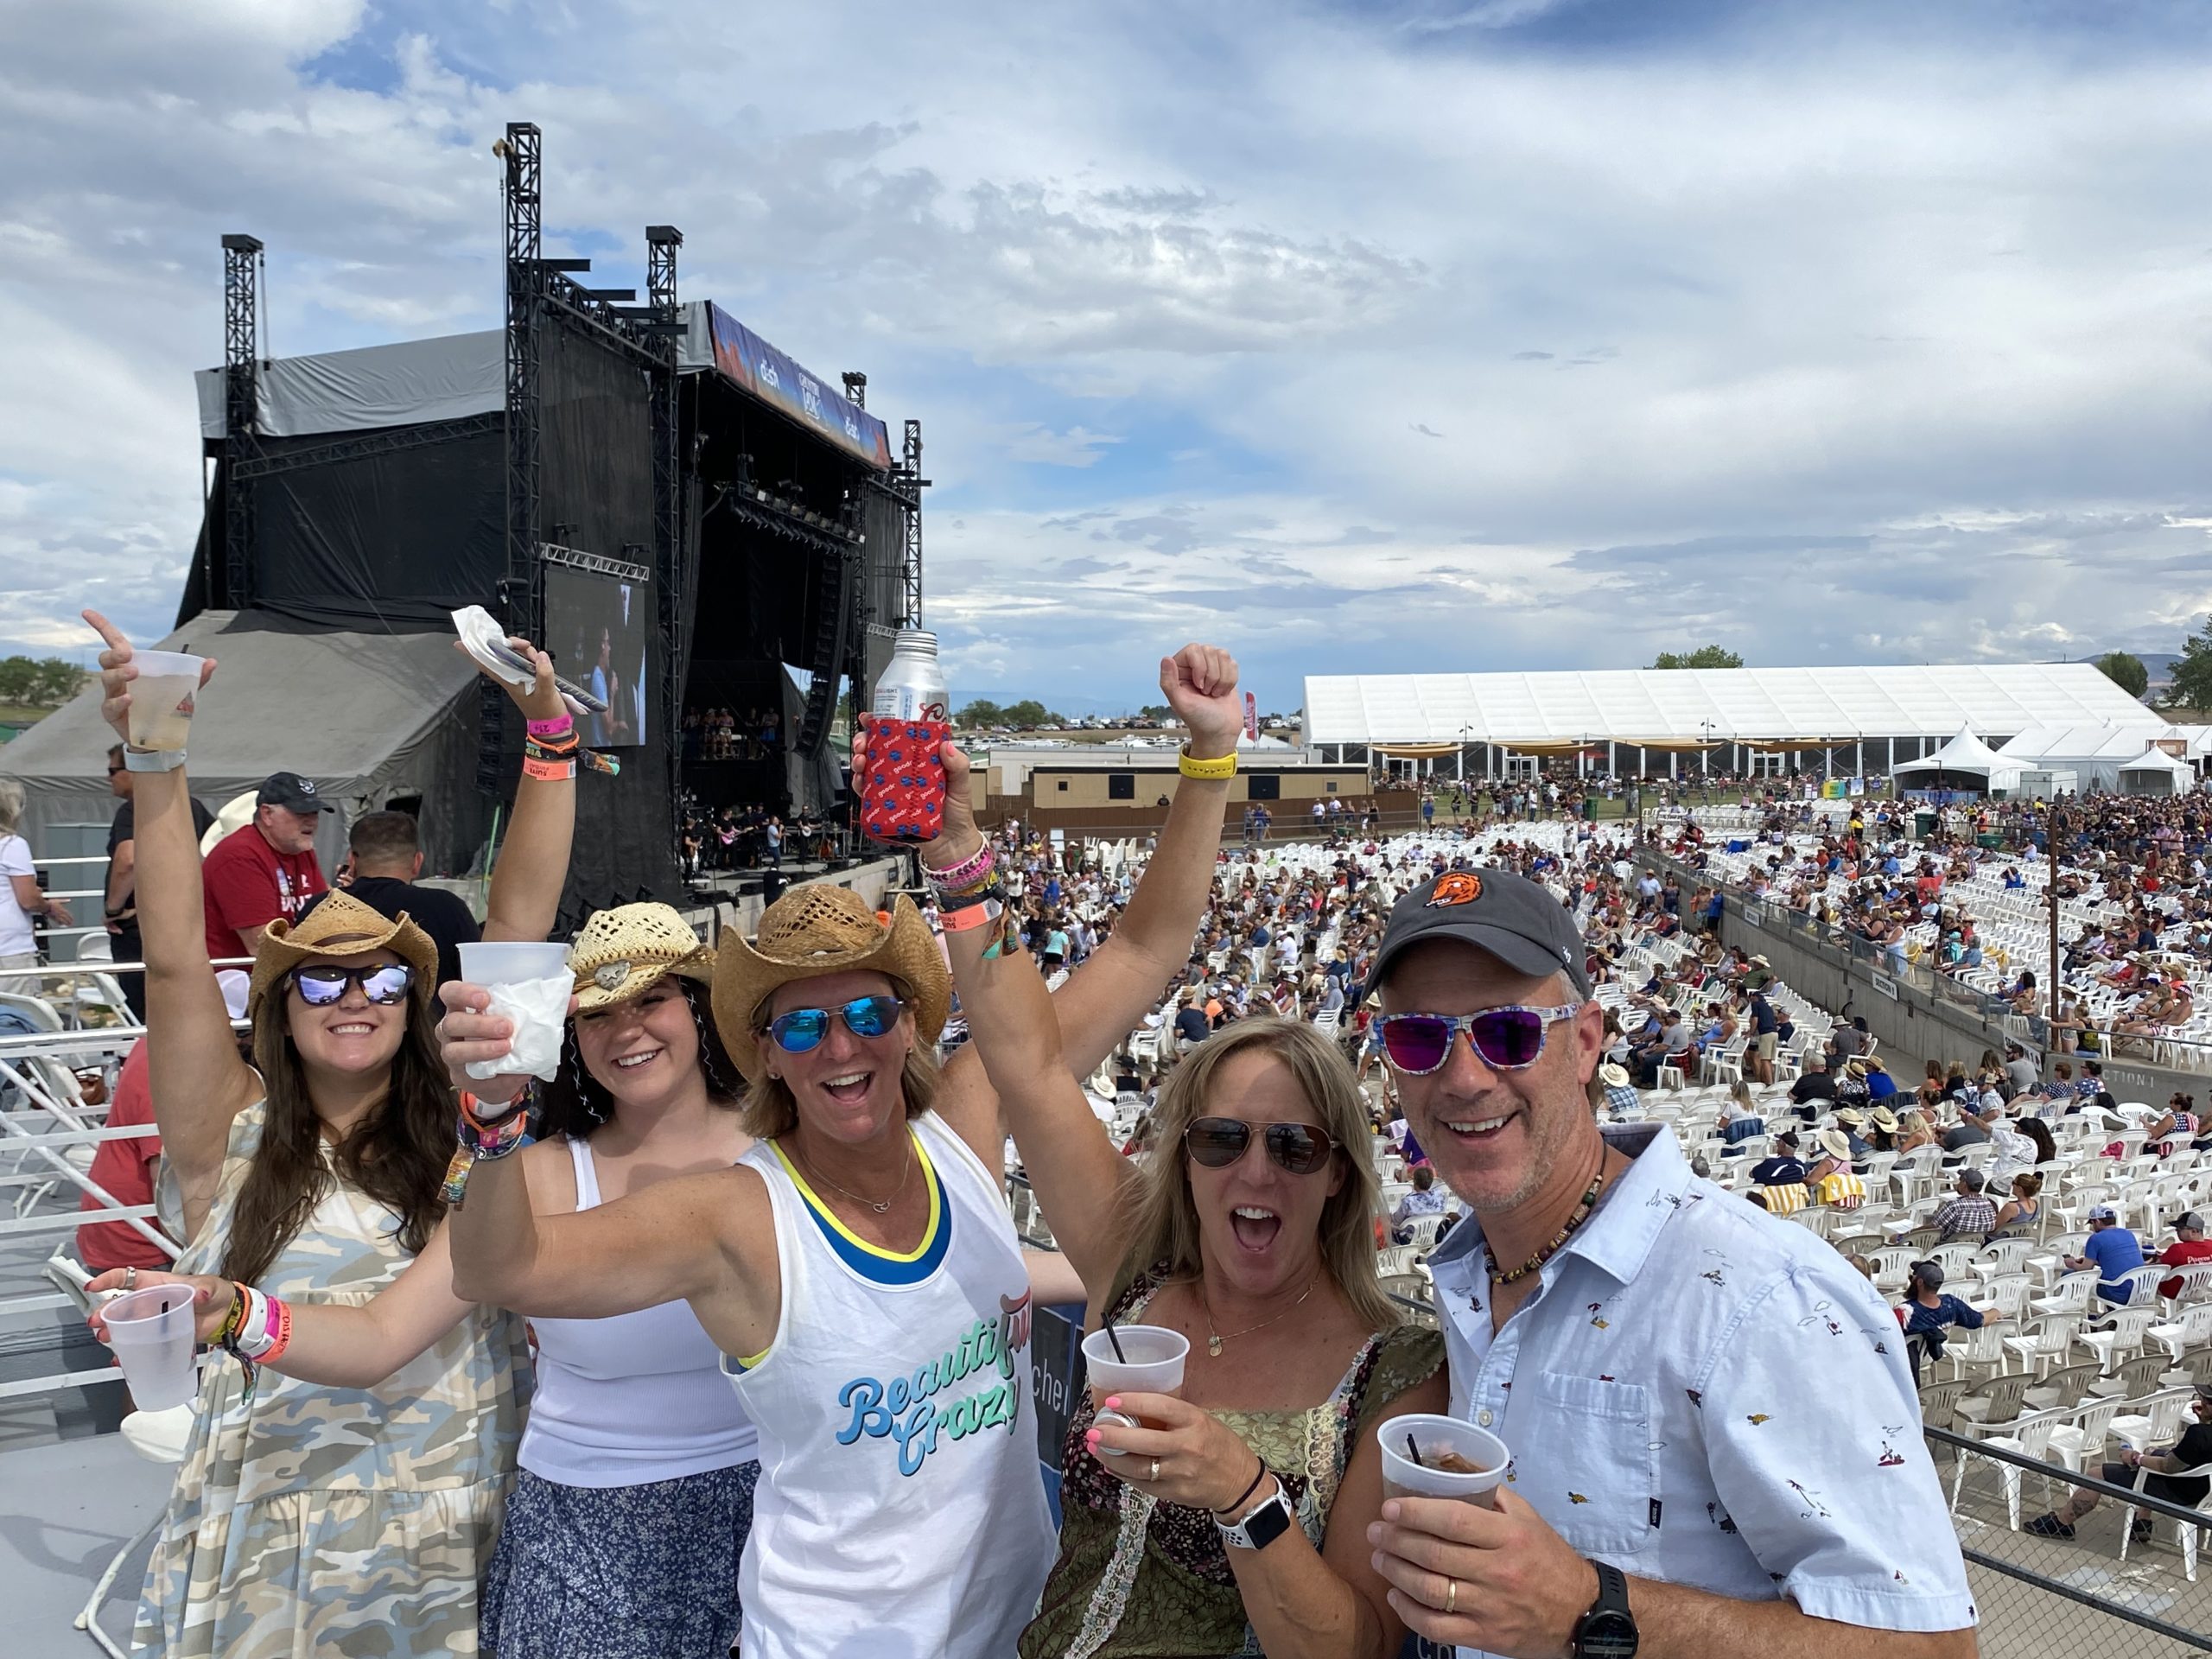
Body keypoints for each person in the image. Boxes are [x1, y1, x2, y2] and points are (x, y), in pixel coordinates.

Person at [435, 642, 1250, 1659]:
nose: (841, 1045)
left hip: (1015, 1627)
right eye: (802, 1025)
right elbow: (501, 1267)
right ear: (767, 1057)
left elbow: (1141, 954)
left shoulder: (962, 1122)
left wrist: (1210, 756)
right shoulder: (735, 1214)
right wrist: (494, 1117)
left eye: (867, 1009)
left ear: (911, 1025)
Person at [75, 610, 563, 1657]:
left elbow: (519, 923)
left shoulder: (462, 1144)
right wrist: (156, 754)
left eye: (383, 976)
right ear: (277, 1008)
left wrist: (549, 734)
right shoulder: (229, 1130)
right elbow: (169, 960)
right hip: (276, 1531)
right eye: (322, 979)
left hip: (454, 1519)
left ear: (414, 998)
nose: (355, 996)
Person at [1361, 868, 1974, 1656]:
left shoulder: (1765, 1299)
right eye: (1419, 1038)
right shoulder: (1470, 1275)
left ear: (1584, 1043)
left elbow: (1933, 1648)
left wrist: (1592, 1612)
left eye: (1506, 1031)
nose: (1464, 1077)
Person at [99, 742, 215, 1021]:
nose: (109, 777)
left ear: (133, 768)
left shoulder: (133, 808)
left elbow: (128, 860)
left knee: (145, 1014)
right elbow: (214, 850)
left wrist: (113, 909)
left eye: (113, 770)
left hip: (140, 926)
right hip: (183, 925)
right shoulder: (192, 806)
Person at [2029, 1385, 2212, 1541]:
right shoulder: (2202, 1432)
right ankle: (2142, 1522)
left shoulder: (2198, 1434)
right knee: (2152, 1452)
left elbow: (2168, 1467)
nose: (2202, 1402)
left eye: (2206, 1400)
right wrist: (2204, 1420)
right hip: (2206, 1490)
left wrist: (2135, 1458)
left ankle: (2062, 1523)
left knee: (2096, 1474)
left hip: (2180, 1491)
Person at [327, 810, 480, 986]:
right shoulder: (449, 908)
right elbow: (478, 977)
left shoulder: (323, 907)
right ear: (417, 861)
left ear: (352, 860)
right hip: (435, 1013)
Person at [199, 770, 334, 963]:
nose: (311, 820)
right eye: (300, 813)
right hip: (237, 977)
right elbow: (262, 943)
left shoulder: (301, 849)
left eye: (314, 812)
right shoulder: (239, 856)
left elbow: (326, 914)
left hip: (285, 971)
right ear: (267, 814)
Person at [0, 775, 65, 971]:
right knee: (17, 1002)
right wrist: (47, 907)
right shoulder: (12, 845)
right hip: (9, 948)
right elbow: (28, 899)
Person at [1895, 1261, 1996, 1383]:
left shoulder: (1904, 1312)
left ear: (1920, 1282)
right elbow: (1979, 1320)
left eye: (1913, 1278)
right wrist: (1995, 1312)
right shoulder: (1952, 1305)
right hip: (1928, 1358)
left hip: (1905, 1365)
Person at [2066, 1205, 2147, 1306]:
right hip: (2141, 1289)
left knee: (2068, 1274)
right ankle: (2114, 1317)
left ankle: (2073, 1311)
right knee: (2112, 1278)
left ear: (2098, 1221)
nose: (2092, 1226)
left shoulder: (2095, 1239)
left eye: (2092, 1223)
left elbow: (2085, 1269)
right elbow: (2119, 1259)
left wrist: (2072, 1263)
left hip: (2118, 1292)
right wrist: (2095, 1261)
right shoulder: (2128, 1234)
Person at [2157, 1211, 2212, 1302]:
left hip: (2173, 1292)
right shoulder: (2211, 1245)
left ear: (2194, 1231)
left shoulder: (2178, 1249)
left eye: (2180, 1228)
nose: (2177, 1231)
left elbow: (2158, 1266)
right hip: (2200, 1290)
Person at [1931, 1169, 1997, 1243]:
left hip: (1948, 1249)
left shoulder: (1955, 1206)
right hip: (1975, 1249)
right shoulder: (1989, 1206)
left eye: (1960, 1180)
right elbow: (1991, 1228)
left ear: (1964, 1184)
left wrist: (1915, 1231)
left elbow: (1934, 1227)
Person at [1391, 1164, 1450, 1243]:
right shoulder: (1439, 1195)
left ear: (1415, 1181)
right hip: (1434, 1236)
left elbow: (1396, 1223)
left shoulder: (1408, 1201)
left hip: (1410, 1240)